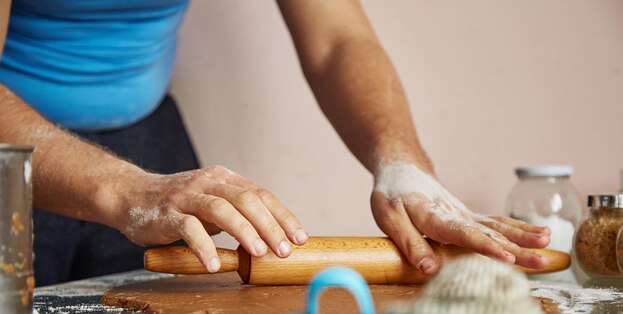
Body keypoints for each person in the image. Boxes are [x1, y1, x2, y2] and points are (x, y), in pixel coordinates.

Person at [0, 0, 550, 286]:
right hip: (12, 151)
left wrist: (403, 165)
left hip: (149, 142)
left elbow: (338, 40)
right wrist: (126, 191)